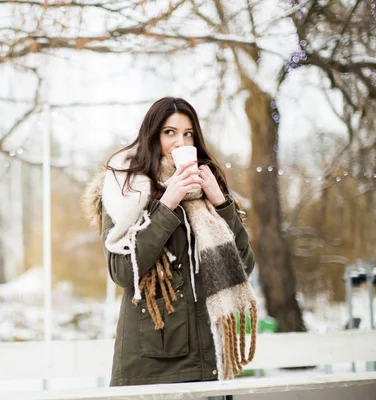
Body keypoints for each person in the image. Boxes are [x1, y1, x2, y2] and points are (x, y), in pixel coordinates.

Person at [83, 97, 258, 387]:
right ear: (152, 136)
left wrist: (221, 202)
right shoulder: (123, 190)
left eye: (188, 133)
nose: (180, 142)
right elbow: (124, 272)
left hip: (210, 361)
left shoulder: (208, 191)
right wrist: (166, 205)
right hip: (151, 365)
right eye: (169, 132)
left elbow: (243, 266)